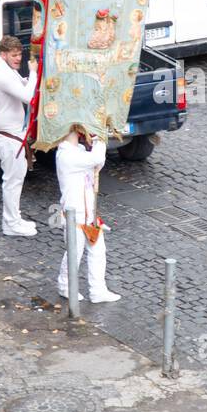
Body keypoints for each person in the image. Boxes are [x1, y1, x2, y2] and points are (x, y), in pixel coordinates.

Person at [55, 125, 120, 304]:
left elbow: (97, 163)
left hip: (89, 214)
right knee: (74, 253)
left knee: (98, 251)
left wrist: (98, 142)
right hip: (74, 215)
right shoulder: (67, 155)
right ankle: (64, 285)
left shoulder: (80, 151)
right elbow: (96, 158)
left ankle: (98, 290)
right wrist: (101, 138)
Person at [0, 35, 39, 237]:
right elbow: (27, 96)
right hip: (9, 135)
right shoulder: (1, 75)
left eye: (19, 55)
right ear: (3, 54)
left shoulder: (5, 69)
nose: (18, 58)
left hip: (12, 132)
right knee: (13, 180)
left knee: (16, 178)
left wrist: (28, 79)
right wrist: (33, 74)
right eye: (14, 55)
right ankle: (10, 223)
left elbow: (20, 85)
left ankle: (14, 218)